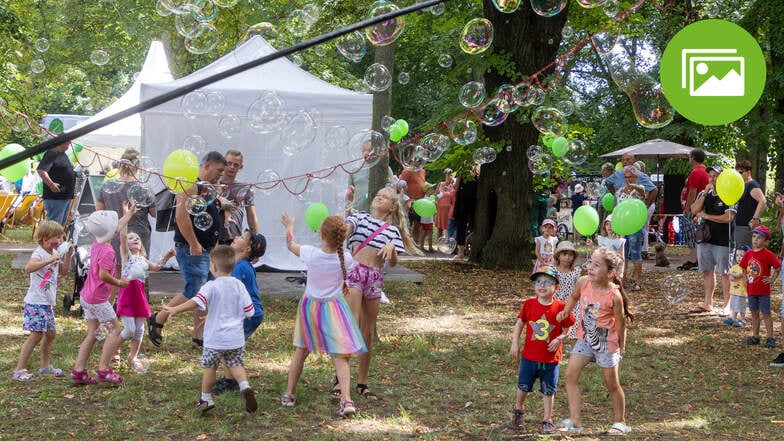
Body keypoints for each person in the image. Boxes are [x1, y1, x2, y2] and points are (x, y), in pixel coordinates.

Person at [279, 214, 366, 417]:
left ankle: (289, 394)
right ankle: (346, 400)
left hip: (310, 308)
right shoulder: (347, 258)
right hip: (334, 310)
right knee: (340, 357)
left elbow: (290, 244)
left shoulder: (310, 253)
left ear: (322, 234)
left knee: (300, 351)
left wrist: (290, 225)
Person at [342, 186, 419, 399]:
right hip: (355, 274)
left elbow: (392, 264)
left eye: (385, 197)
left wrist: (392, 250)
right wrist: (344, 230)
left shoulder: (392, 232)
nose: (379, 197)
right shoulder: (360, 218)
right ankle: (340, 379)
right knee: (351, 324)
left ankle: (362, 383)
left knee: (367, 332)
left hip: (375, 278)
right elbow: (347, 229)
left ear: (393, 207)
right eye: (378, 194)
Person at [162, 245, 258, 414]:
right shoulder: (238, 285)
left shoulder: (211, 286)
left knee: (210, 368)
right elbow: (250, 312)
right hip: (235, 338)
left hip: (215, 339)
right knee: (236, 364)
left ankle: (206, 398)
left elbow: (196, 301)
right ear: (233, 265)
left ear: (213, 266)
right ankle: (245, 386)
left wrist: (176, 309)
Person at [148, 151, 227, 348]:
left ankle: (199, 338)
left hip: (206, 248)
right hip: (192, 248)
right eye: (219, 170)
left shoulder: (206, 188)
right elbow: (181, 217)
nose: (221, 175)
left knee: (206, 293)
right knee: (195, 290)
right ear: (207, 166)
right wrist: (193, 243)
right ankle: (159, 316)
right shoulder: (191, 185)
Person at [557, 247, 634, 436]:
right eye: (590, 262)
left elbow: (621, 324)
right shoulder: (583, 282)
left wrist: (621, 346)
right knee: (570, 376)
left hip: (606, 343)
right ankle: (575, 420)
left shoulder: (614, 296)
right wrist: (567, 310)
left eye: (596, 265)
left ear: (610, 273)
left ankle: (620, 422)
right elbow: (574, 297)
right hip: (585, 338)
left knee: (611, 384)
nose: (590, 267)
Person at [70, 208, 134, 385]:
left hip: (86, 296)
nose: (116, 228)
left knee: (93, 333)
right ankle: (104, 369)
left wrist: (129, 213)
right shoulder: (108, 251)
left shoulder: (98, 242)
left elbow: (115, 227)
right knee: (115, 330)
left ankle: (79, 371)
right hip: (98, 300)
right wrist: (119, 283)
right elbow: (103, 275)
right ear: (109, 231)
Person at [509, 265, 575, 433]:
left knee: (548, 390)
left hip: (551, 359)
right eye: (538, 281)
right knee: (523, 386)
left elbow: (568, 327)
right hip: (529, 356)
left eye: (547, 282)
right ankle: (518, 409)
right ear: (534, 286)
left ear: (556, 287)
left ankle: (547, 419)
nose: (542, 285)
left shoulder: (561, 307)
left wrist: (560, 338)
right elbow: (519, 323)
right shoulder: (529, 304)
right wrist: (515, 343)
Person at [12, 220, 73, 382]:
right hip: (36, 302)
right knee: (36, 335)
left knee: (51, 334)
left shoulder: (52, 253)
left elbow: (64, 271)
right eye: (56, 238)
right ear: (44, 239)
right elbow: (28, 268)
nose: (60, 241)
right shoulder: (39, 253)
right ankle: (19, 369)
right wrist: (50, 259)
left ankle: (45, 366)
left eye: (61, 237)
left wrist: (68, 256)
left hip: (47, 303)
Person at [212, 230, 267, 395]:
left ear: (247, 249)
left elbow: (230, 293)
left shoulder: (239, 267)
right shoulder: (241, 265)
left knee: (228, 345)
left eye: (242, 238)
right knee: (229, 345)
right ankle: (231, 379)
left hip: (248, 314)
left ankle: (231, 381)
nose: (236, 237)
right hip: (250, 313)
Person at [116, 222, 175, 372]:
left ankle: (132, 357)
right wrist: (126, 220)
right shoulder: (127, 257)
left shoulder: (142, 260)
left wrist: (167, 257)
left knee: (139, 330)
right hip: (128, 296)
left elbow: (156, 267)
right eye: (131, 238)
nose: (135, 239)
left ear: (141, 245)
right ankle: (113, 350)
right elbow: (122, 238)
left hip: (139, 297)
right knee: (129, 330)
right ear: (126, 245)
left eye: (137, 238)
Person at [690, 165, 736, 315]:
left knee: (725, 273)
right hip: (705, 239)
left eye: (716, 176)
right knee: (707, 271)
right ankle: (707, 303)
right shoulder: (705, 193)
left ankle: (727, 305)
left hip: (723, 240)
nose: (713, 179)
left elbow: (729, 217)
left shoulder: (729, 194)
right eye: (710, 176)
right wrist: (704, 194)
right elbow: (694, 210)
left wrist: (708, 216)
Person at [738, 225, 780, 348]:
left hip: (764, 291)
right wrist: (745, 279)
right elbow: (744, 268)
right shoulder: (748, 253)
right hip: (752, 290)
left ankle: (770, 337)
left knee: (766, 313)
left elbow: (777, 267)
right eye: (754, 236)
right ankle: (755, 336)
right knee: (754, 313)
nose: (755, 240)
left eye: (759, 238)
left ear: (766, 241)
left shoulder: (768, 254)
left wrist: (771, 280)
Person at [218, 150, 260, 245]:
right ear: (223, 164)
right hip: (213, 239)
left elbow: (252, 216)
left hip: (234, 240)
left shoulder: (245, 188)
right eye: (229, 163)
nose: (232, 167)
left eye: (236, 165)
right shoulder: (212, 185)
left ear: (241, 167)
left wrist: (256, 243)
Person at [677, 149, 709, 270]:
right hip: (699, 209)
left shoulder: (696, 172)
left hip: (693, 210)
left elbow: (693, 191)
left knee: (691, 233)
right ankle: (696, 259)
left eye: (690, 157)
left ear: (693, 158)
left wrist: (688, 209)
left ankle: (694, 259)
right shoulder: (704, 171)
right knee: (695, 233)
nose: (689, 159)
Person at [615, 166, 646, 291]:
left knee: (635, 254)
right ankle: (622, 280)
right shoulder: (620, 191)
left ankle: (637, 282)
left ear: (636, 177)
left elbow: (642, 193)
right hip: (623, 227)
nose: (628, 180)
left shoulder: (639, 190)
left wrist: (634, 186)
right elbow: (617, 209)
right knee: (622, 255)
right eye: (626, 177)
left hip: (635, 227)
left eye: (631, 177)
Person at [36, 142, 76, 227]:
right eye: (66, 142)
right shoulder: (52, 153)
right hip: (55, 198)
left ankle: (55, 240)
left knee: (59, 229)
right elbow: (41, 170)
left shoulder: (63, 154)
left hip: (64, 197)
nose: (68, 145)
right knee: (54, 228)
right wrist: (51, 184)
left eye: (69, 142)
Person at [733, 160, 766, 250]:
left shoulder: (751, 185)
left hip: (746, 227)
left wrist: (755, 218)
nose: (738, 175)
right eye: (737, 172)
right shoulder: (743, 185)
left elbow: (763, 201)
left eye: (741, 172)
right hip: (740, 225)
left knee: (743, 253)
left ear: (748, 172)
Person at [552, 241, 582, 340]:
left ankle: (575, 352)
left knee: (574, 330)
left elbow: (579, 287)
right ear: (558, 256)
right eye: (564, 254)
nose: (567, 257)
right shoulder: (553, 270)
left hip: (572, 304)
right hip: (557, 303)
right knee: (555, 328)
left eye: (570, 255)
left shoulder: (576, 271)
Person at [452, 164, 479, 259]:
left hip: (464, 202)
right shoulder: (477, 171)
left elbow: (456, 187)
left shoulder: (465, 170)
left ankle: (461, 252)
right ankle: (466, 251)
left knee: (462, 227)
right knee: (471, 226)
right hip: (472, 202)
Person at [399, 165, 426, 246]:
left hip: (421, 202)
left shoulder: (423, 171)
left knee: (419, 223)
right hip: (410, 201)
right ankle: (407, 243)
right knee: (410, 223)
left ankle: (416, 243)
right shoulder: (407, 171)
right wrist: (407, 199)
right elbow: (401, 186)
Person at [724, 247, 749, 327]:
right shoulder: (735, 266)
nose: (739, 257)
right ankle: (733, 318)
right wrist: (731, 275)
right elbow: (728, 273)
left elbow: (739, 275)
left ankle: (742, 319)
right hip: (734, 291)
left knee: (741, 306)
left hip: (741, 292)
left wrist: (732, 274)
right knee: (733, 305)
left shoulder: (746, 267)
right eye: (737, 255)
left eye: (741, 255)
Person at [435, 169, 456, 239]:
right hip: (440, 210)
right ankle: (438, 247)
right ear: (445, 175)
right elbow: (436, 195)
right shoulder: (441, 184)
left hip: (449, 211)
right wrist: (436, 202)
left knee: (449, 229)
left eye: (451, 174)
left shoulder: (454, 185)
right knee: (440, 229)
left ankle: (448, 246)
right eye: (448, 174)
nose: (449, 176)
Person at [419, 183, 436, 252]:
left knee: (424, 232)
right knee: (429, 233)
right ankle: (430, 247)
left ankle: (422, 246)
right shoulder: (427, 199)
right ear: (427, 190)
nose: (433, 190)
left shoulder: (426, 198)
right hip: (428, 219)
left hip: (424, 219)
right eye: (431, 189)